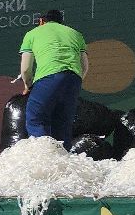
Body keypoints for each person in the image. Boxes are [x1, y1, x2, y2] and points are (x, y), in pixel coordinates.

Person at [14, 9, 88, 146]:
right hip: (74, 79)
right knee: (63, 124)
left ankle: (44, 157)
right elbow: (85, 66)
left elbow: (25, 69)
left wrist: (28, 85)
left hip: (48, 77)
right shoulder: (75, 34)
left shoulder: (32, 34)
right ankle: (62, 160)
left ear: (41, 21)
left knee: (36, 118)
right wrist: (74, 82)